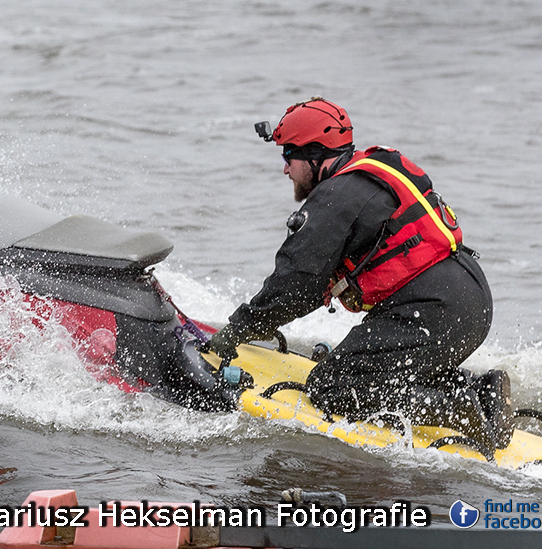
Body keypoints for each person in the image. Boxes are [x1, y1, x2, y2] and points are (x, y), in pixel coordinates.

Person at [205, 97, 515, 450]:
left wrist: (238, 329)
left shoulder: (336, 196)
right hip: (469, 299)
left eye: (287, 156)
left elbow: (295, 285)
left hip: (433, 309)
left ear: (314, 153)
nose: (285, 170)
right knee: (383, 369)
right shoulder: (375, 169)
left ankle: (459, 410)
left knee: (330, 388)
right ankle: (480, 390)